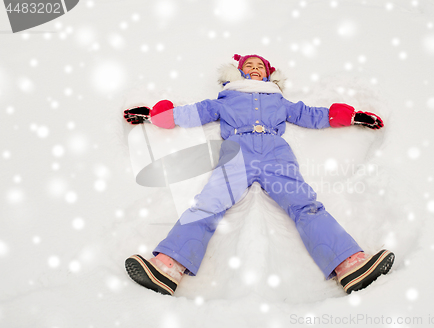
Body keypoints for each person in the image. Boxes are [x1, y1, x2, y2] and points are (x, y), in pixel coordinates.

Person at [123, 54, 394, 296]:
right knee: (208, 204)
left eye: (259, 67)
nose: (254, 69)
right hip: (236, 153)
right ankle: (168, 266)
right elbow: (194, 113)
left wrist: (352, 116)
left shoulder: (277, 99)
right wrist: (152, 116)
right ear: (239, 72)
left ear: (268, 74)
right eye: (248, 66)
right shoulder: (227, 97)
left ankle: (349, 263)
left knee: (305, 206)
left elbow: (309, 115)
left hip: (276, 153)